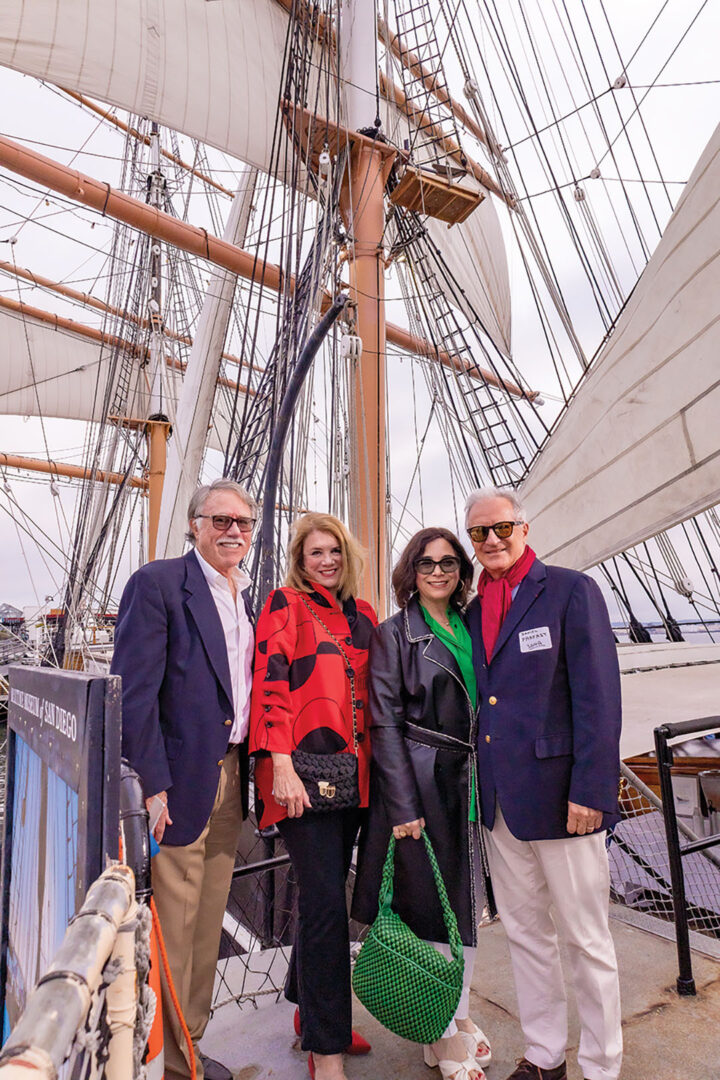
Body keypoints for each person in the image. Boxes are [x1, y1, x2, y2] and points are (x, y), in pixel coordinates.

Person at [464, 486, 623, 1080]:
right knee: (526, 934)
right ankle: (544, 1054)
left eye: (501, 527)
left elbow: (599, 699)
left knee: (586, 938)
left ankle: (602, 1066)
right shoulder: (474, 610)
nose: (492, 541)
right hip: (500, 803)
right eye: (479, 533)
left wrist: (593, 790)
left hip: (564, 799)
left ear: (523, 528)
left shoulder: (570, 592)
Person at [112, 478, 256, 1080]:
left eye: (242, 523)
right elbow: (134, 693)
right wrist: (152, 783)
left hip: (231, 770)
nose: (232, 531)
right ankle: (172, 1060)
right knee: (174, 921)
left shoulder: (243, 594)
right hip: (179, 778)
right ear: (195, 524)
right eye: (219, 520)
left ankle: (190, 1045)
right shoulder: (159, 584)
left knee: (206, 920)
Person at [353, 527, 492, 1080]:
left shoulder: (471, 626)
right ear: (411, 570)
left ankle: (454, 1017)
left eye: (450, 562)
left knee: (467, 907)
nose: (438, 571)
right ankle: (439, 1034)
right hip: (423, 783)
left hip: (471, 783)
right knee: (432, 911)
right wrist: (403, 805)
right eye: (427, 562)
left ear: (461, 571)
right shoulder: (395, 635)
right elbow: (383, 723)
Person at [249, 512, 377, 1080]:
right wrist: (279, 764)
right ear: (300, 561)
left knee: (325, 897)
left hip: (356, 779)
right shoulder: (285, 605)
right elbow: (270, 681)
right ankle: (325, 1050)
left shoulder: (364, 617)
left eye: (334, 552)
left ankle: (311, 1010)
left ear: (347, 557)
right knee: (326, 903)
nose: (325, 561)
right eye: (314, 553)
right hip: (298, 777)